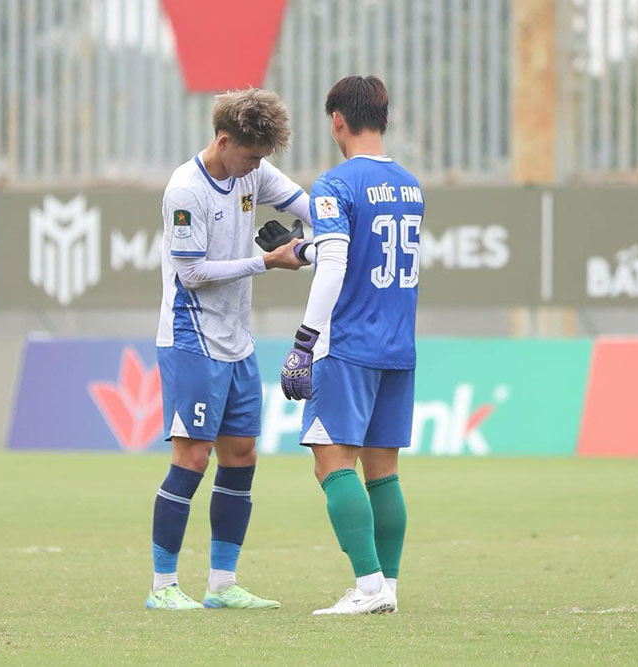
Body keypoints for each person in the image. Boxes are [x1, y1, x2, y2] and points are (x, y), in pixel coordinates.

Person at [148, 88, 312, 611]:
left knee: (242, 455)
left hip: (238, 340)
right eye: (250, 154)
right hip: (192, 337)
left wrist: (321, 237)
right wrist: (268, 262)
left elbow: (306, 204)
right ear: (224, 140)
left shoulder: (253, 173)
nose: (257, 166)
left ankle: (222, 584)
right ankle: (163, 586)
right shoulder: (185, 191)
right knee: (193, 457)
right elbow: (191, 274)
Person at [281, 75, 424, 615]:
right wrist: (309, 249)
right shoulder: (411, 186)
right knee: (383, 471)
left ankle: (367, 589)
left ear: (337, 120)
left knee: (330, 462)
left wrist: (303, 342)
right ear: (383, 119)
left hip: (347, 346)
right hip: (397, 346)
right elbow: (359, 252)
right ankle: (387, 585)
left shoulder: (334, 185)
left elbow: (340, 263)